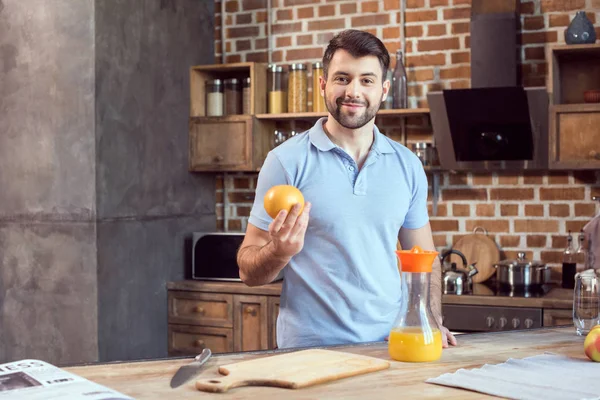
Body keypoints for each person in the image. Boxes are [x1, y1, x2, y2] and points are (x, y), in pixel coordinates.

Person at [237, 29, 457, 349]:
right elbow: (248, 271)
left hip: (389, 343)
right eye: (342, 78)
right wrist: (279, 251)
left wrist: (431, 318)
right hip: (310, 349)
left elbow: (424, 258)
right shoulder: (285, 162)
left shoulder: (407, 165)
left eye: (366, 80)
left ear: (383, 90)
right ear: (323, 84)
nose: (353, 91)